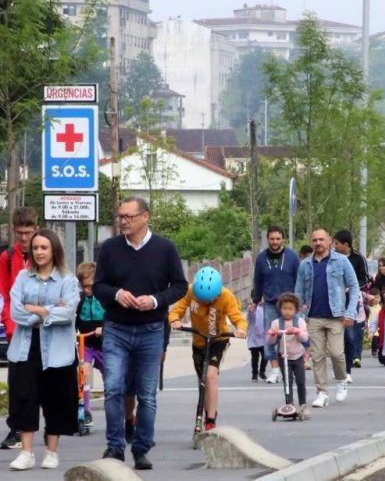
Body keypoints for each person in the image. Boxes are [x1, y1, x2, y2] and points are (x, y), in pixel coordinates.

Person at [94, 196, 188, 470]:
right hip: (117, 328)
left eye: (128, 216)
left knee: (147, 394)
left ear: (145, 217)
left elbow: (180, 286)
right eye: (120, 216)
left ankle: (142, 448)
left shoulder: (165, 248)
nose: (122, 221)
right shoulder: (110, 249)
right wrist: (117, 294)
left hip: (151, 330)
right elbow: (98, 286)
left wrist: (156, 300)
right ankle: (114, 446)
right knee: (113, 389)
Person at [7, 229, 80, 471]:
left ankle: (51, 452)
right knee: (25, 398)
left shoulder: (67, 280)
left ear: (54, 250)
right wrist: (49, 310)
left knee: (55, 399)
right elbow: (15, 312)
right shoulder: (22, 278)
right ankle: (26, 452)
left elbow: (68, 313)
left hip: (57, 351)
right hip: (25, 347)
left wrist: (37, 310)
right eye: (36, 248)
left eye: (44, 248)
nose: (39, 252)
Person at [169, 267, 247, 430]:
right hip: (199, 340)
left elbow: (238, 318)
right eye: (201, 300)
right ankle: (205, 412)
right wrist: (175, 320)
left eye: (210, 301)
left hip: (218, 340)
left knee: (210, 375)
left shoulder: (226, 296)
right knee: (202, 380)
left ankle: (211, 419)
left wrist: (240, 329)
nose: (205, 303)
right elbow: (177, 310)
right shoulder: (190, 292)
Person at [295, 228, 360, 408]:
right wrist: (299, 316)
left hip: (336, 316)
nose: (318, 243)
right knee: (317, 356)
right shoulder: (305, 265)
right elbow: (298, 293)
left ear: (329, 241)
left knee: (336, 353)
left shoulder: (341, 261)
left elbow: (354, 287)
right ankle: (322, 392)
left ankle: (341, 380)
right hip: (313, 317)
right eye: (315, 240)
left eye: (322, 239)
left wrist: (350, 313)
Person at [0, 207, 38, 450]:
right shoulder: (7, 258)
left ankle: (51, 425)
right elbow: (5, 293)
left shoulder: (44, 252)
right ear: (14, 231)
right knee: (17, 380)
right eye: (20, 233)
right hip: (17, 327)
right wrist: (8, 322)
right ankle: (15, 427)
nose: (24, 238)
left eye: (28, 232)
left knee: (45, 380)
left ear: (35, 229)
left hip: (43, 325)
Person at [249, 225, 300, 384]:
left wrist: (301, 301)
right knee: (270, 337)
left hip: (291, 304)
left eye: (278, 238)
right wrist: (255, 301)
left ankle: (292, 368)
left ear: (282, 239)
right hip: (270, 304)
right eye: (272, 239)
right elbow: (257, 281)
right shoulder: (261, 258)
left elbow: (298, 279)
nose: (275, 242)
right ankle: (275, 370)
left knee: (293, 336)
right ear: (268, 240)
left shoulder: (292, 257)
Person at [332, 229, 370, 382]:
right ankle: (337, 368)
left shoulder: (358, 259)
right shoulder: (332, 258)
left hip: (350, 301)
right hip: (334, 301)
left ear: (346, 245)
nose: (334, 246)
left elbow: (365, 279)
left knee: (349, 335)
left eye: (337, 244)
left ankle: (347, 370)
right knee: (334, 336)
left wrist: (351, 287)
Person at [267, 292, 310, 419]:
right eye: (284, 309)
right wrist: (272, 334)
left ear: (295, 309)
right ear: (280, 309)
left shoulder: (300, 322)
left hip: (298, 356)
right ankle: (289, 404)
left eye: (290, 309)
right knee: (287, 381)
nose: (287, 312)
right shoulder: (276, 323)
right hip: (283, 356)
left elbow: (305, 337)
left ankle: (303, 405)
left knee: (301, 381)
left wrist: (297, 332)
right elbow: (270, 342)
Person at [75, 262, 105, 427]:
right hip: (85, 343)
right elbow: (74, 318)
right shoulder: (80, 299)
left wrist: (104, 327)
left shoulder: (104, 298)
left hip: (104, 344)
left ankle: (117, 410)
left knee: (112, 379)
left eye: (90, 286)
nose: (87, 290)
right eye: (83, 286)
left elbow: (113, 315)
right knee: (82, 374)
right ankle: (84, 411)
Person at [246, 298, 267, 382]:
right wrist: (251, 309)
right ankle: (254, 374)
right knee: (255, 357)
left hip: (264, 336)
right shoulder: (251, 308)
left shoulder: (266, 308)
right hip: (253, 337)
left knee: (265, 355)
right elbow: (249, 316)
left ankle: (262, 371)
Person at [367, 288, 381, 357]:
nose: (376, 299)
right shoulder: (369, 307)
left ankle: (377, 349)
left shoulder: (380, 306)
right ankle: (374, 350)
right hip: (371, 324)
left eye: (377, 297)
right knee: (375, 337)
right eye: (374, 298)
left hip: (378, 325)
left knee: (378, 337)